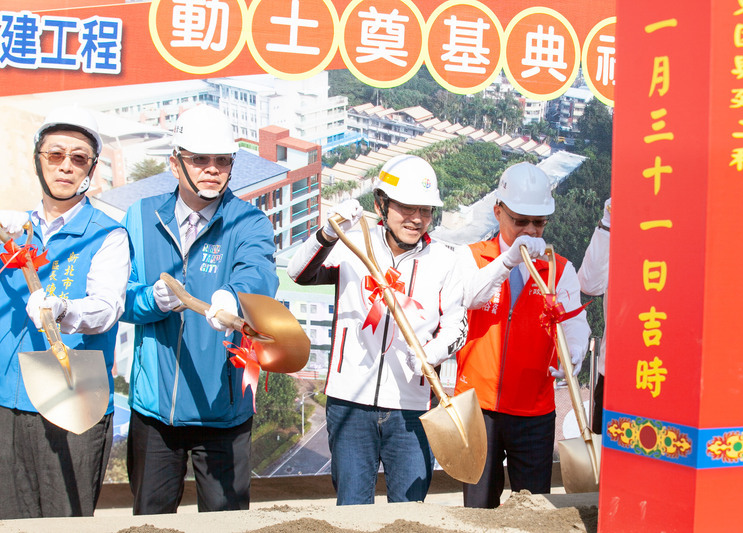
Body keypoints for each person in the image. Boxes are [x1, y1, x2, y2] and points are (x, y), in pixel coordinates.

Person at [122, 105, 278, 514]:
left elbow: (260, 276)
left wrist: (232, 297)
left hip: (222, 410)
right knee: (150, 523)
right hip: (155, 411)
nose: (212, 169)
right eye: (199, 159)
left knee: (226, 523)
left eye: (222, 160)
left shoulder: (249, 222)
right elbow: (118, 299)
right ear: (175, 163)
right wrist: (149, 301)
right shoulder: (140, 216)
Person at [288, 154, 467, 506]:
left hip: (412, 409)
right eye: (406, 208)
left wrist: (431, 353)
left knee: (410, 510)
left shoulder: (447, 260)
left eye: (427, 210)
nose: (417, 219)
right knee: (353, 509)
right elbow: (298, 273)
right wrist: (327, 232)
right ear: (381, 204)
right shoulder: (352, 246)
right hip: (349, 403)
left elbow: (457, 325)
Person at [0, 106, 130, 518]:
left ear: (91, 169)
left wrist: (61, 309)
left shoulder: (108, 233)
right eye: (55, 155)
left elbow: (107, 308)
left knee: (64, 519)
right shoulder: (13, 231)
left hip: (73, 399)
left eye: (79, 158)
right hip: (7, 398)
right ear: (39, 160)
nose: (66, 167)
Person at [455, 162, 590, 509]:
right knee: (478, 510)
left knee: (534, 509)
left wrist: (573, 354)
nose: (530, 231)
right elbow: (470, 296)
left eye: (539, 223)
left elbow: (575, 322)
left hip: (533, 410)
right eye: (520, 221)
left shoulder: (559, 268)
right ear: (498, 211)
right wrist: (506, 263)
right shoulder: (472, 258)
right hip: (478, 406)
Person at [577, 198, 610, 435]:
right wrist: (608, 224)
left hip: (669, 374)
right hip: (615, 373)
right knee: (607, 465)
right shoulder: (619, 234)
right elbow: (589, 284)